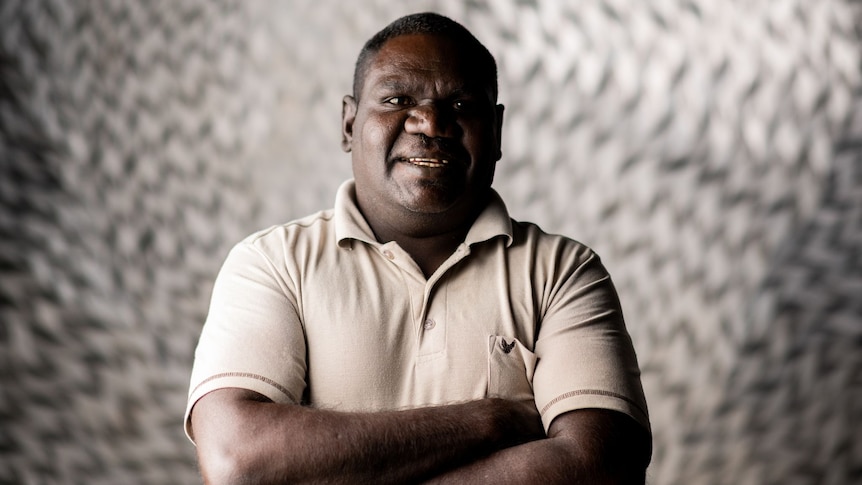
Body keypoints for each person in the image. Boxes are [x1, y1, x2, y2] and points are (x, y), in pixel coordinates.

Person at [185, 12, 651, 484]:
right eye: (397, 99)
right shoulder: (272, 262)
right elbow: (238, 460)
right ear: (349, 124)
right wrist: (492, 421)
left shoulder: (563, 271)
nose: (430, 122)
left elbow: (600, 466)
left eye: (462, 103)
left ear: (497, 130)